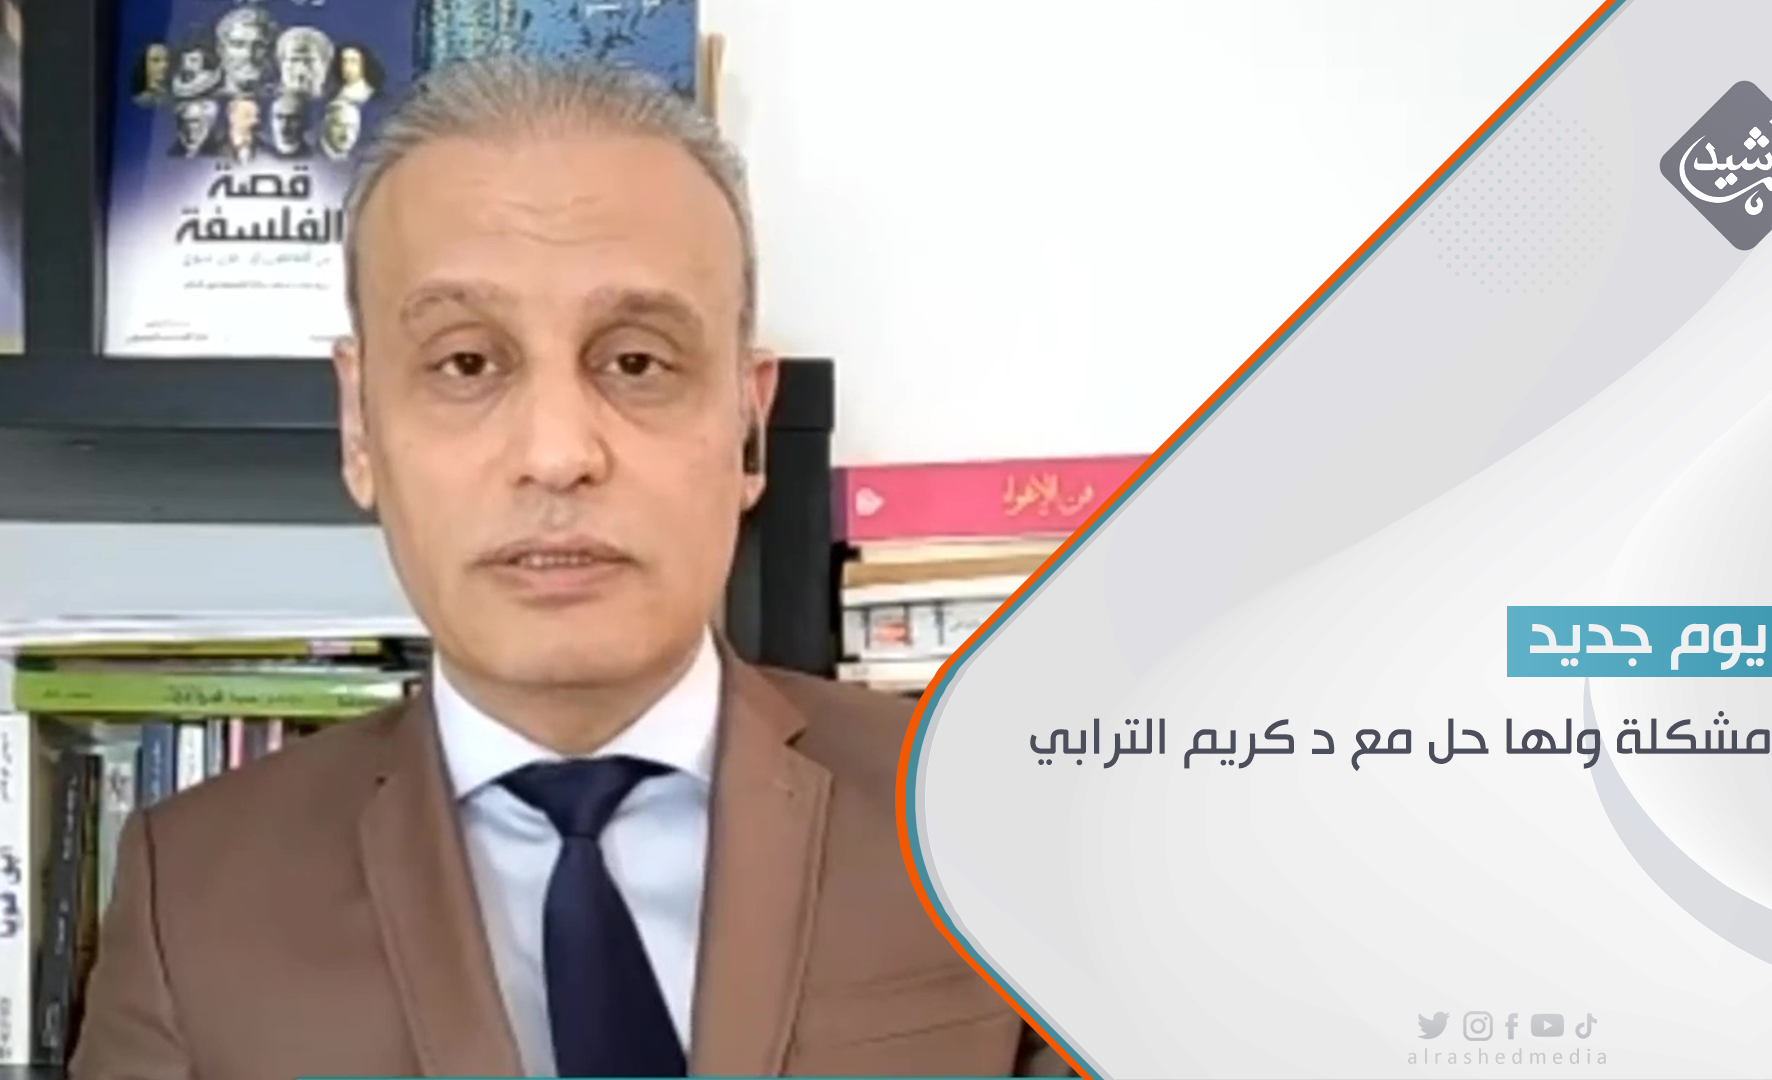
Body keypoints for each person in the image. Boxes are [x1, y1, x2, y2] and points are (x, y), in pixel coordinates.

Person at [68, 55, 1074, 1080]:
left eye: (636, 362)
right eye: (466, 363)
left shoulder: (984, 818)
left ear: (749, 426)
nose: (557, 454)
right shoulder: (189, 896)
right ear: (359, 427)